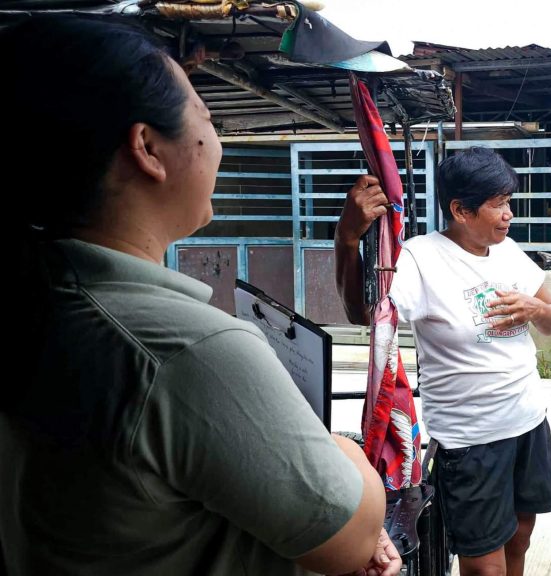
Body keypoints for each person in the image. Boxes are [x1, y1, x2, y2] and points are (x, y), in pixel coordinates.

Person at [0, 15, 400, 576]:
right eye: (208, 119)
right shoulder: (189, 350)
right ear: (147, 148)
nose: (216, 143)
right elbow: (350, 535)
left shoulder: (44, 300)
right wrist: (343, 449)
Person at [335, 147, 551, 576]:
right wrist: (347, 239)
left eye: (508, 202)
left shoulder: (510, 251)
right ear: (460, 209)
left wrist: (534, 309)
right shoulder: (422, 257)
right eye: (497, 204)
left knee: (520, 537)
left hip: (529, 423)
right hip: (470, 441)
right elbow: (364, 314)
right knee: (484, 566)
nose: (508, 214)